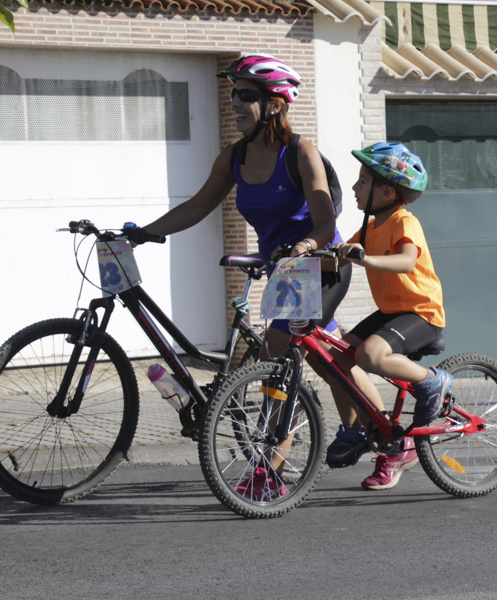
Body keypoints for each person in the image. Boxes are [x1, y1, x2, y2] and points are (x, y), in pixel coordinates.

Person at [134, 54, 351, 499]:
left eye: (245, 95)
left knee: (279, 357)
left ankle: (270, 467)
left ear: (274, 104)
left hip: (319, 265)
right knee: (330, 363)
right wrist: (144, 233)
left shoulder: (300, 151)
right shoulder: (234, 156)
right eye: (233, 94)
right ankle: (375, 431)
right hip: (285, 270)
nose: (234, 102)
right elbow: (197, 206)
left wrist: (306, 246)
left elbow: (325, 222)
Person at [328, 142, 452, 491]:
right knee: (335, 358)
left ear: (386, 191)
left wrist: (364, 258)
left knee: (369, 355)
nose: (354, 188)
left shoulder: (403, 221)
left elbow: (407, 261)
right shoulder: (370, 226)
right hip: (391, 312)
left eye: (362, 181)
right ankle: (361, 431)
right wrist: (299, 253)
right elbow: (337, 254)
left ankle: (432, 382)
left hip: (421, 312)